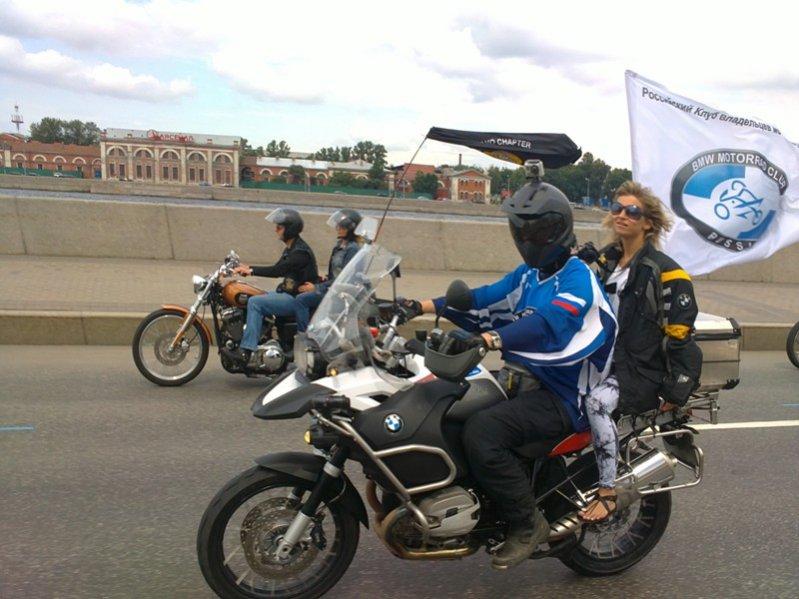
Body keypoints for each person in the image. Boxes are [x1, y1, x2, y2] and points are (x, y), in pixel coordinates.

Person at [403, 178, 617, 570]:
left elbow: (550, 322)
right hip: (526, 380)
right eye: (521, 230)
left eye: (534, 230)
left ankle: (528, 524)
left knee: (483, 432)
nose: (526, 238)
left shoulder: (577, 278)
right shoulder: (528, 275)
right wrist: (417, 305)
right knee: (450, 408)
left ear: (556, 230)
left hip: (567, 395)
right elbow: (482, 297)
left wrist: (490, 338)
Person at [577, 181, 699, 523]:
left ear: (648, 223)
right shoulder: (606, 260)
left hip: (640, 368)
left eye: (632, 211)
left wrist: (676, 388)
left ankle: (607, 491)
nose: (622, 215)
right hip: (602, 359)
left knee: (596, 404)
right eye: (617, 208)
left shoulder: (666, 271)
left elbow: (680, 332)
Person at [221, 208, 318, 366]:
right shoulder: (292, 248)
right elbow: (277, 267)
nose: (276, 230)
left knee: (255, 302)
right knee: (256, 296)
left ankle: (246, 351)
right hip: (288, 294)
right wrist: (247, 268)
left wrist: (251, 271)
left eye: (279, 227)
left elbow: (277, 270)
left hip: (296, 299)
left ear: (290, 229)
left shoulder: (300, 252)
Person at [295, 209, 363, 329]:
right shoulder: (339, 246)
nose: (338, 228)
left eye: (343, 226)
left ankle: (303, 334)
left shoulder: (352, 249)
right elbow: (333, 275)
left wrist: (317, 287)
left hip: (340, 292)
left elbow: (344, 277)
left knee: (302, 300)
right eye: (338, 225)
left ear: (351, 229)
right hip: (332, 288)